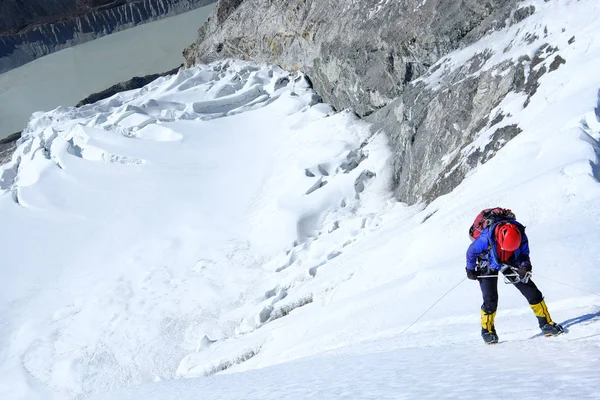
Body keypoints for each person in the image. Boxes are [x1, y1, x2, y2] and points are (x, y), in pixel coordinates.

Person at [466, 219, 564, 344]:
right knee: (490, 299)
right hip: (488, 261)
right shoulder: (486, 238)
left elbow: (524, 253)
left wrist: (525, 266)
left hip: (511, 260)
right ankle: (487, 331)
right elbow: (471, 251)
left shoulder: (521, 234)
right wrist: (470, 269)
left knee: (531, 291)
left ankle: (546, 324)